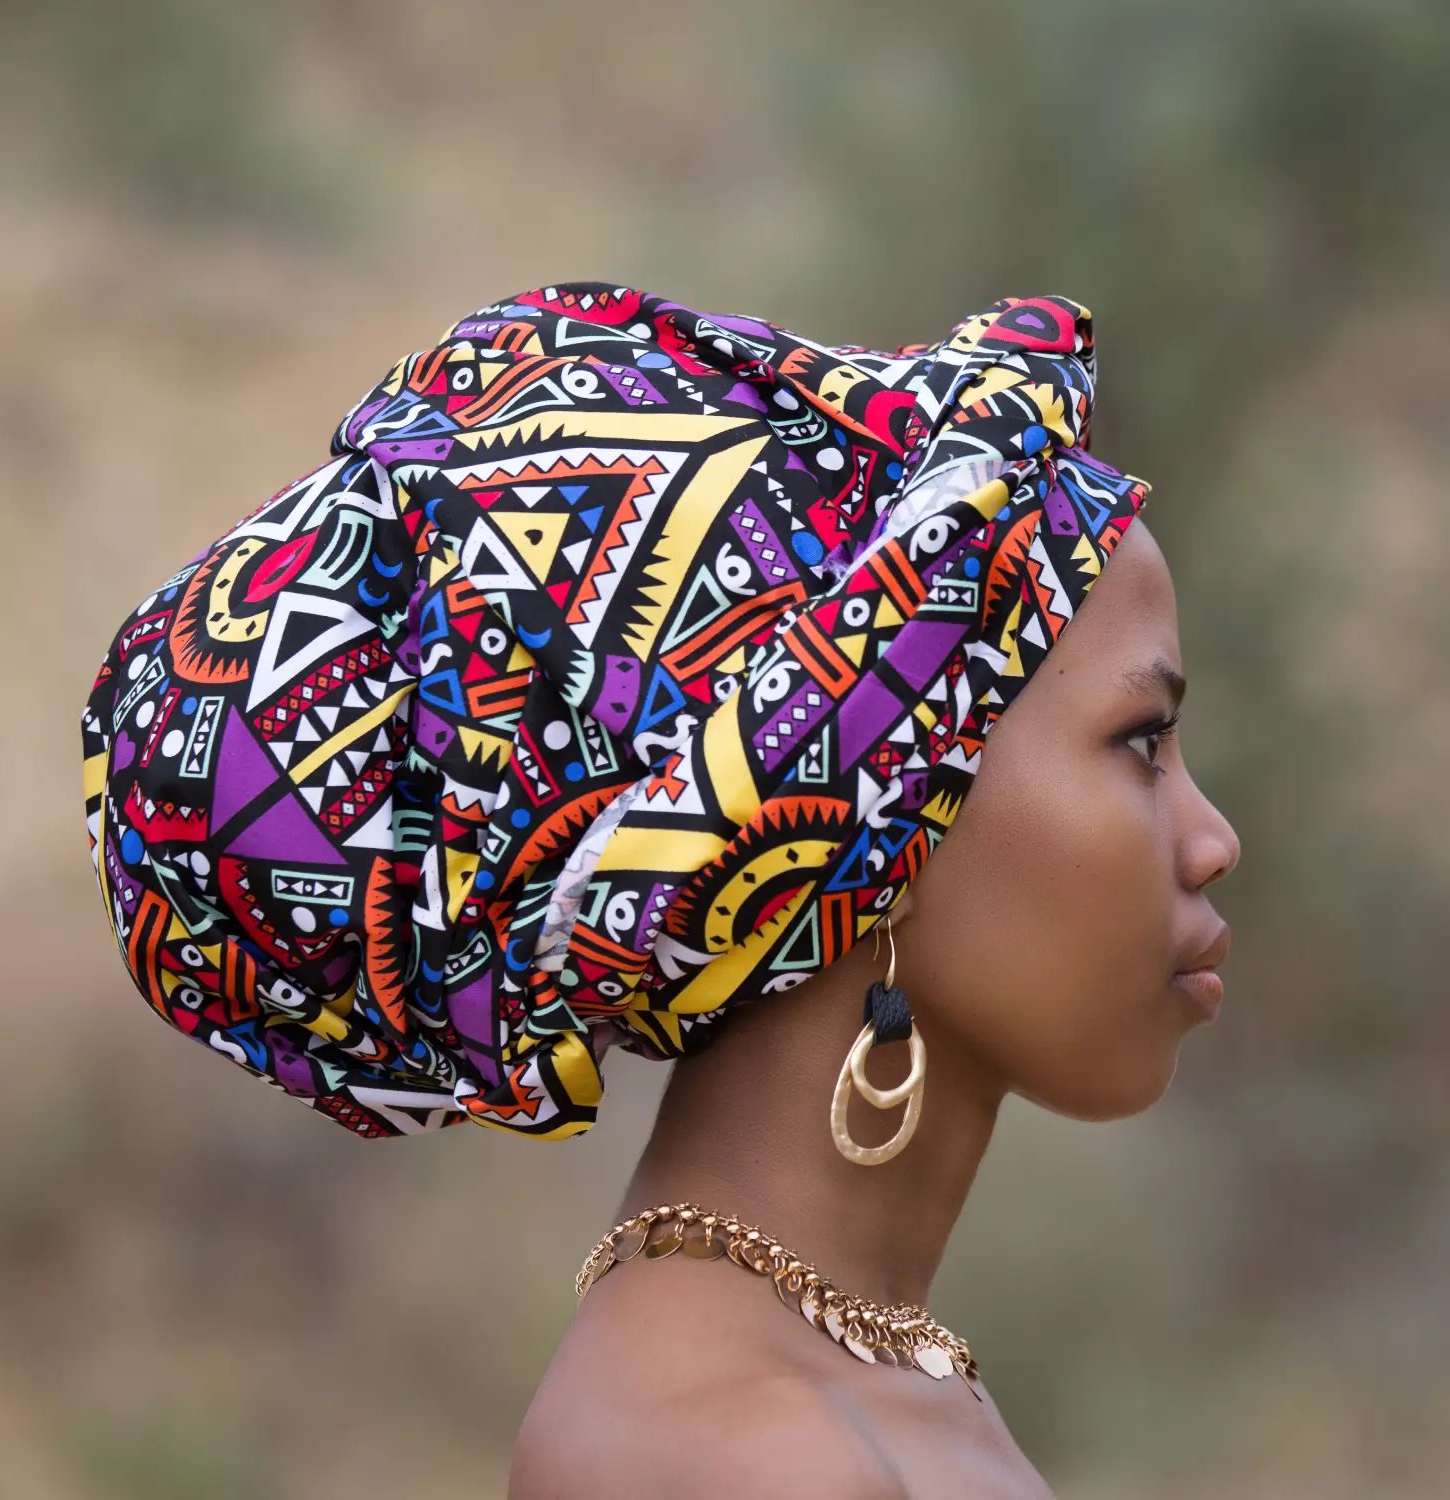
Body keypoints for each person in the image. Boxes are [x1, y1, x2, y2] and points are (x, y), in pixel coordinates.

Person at [81, 283, 1240, 1496]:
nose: (1212, 840)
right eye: (1143, 743)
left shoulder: (876, 1385)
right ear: (885, 811)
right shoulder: (720, 1452)